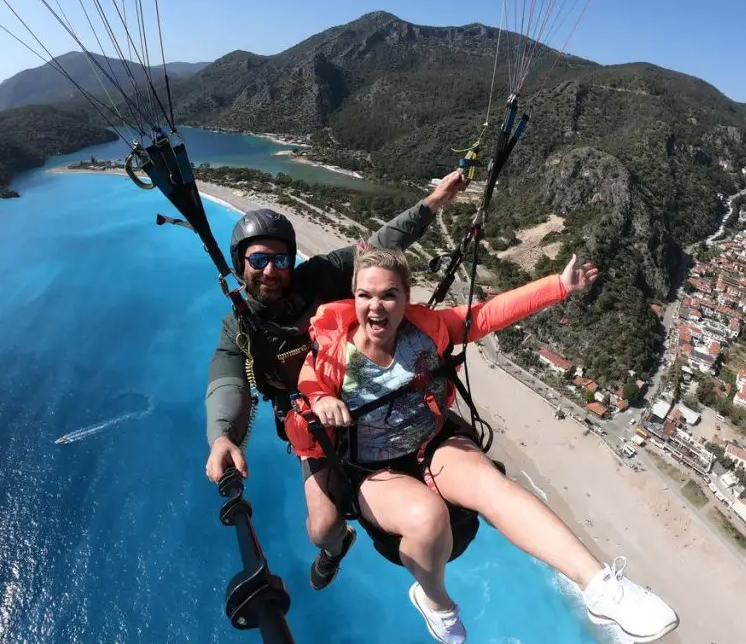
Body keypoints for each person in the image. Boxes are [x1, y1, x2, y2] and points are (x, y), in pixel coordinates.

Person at [284, 246, 680, 644]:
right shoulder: (334, 355)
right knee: (426, 517)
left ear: (406, 298)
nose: (376, 306)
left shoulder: (428, 328)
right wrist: (322, 400)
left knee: (492, 485)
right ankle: (435, 601)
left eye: (388, 295)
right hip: (373, 468)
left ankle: (601, 588)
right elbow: (308, 384)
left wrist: (559, 285)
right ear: (353, 299)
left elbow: (488, 314)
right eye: (365, 295)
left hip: (432, 443)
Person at [204, 170, 467, 591]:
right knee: (322, 528)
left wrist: (433, 202)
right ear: (242, 265)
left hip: (374, 389)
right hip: (316, 421)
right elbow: (227, 379)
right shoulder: (240, 326)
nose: (270, 270)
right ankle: (335, 548)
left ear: (293, 261)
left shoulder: (322, 275)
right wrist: (221, 436)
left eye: (280, 259)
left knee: (461, 437)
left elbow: (382, 244)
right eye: (258, 260)